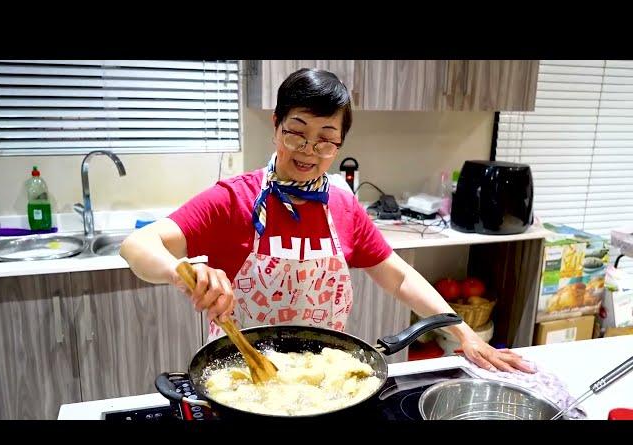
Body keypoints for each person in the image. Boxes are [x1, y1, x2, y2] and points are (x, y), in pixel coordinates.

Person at [120, 68, 534, 374]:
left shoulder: (343, 205)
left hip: (322, 380)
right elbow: (136, 246)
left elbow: (399, 278)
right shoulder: (234, 198)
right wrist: (183, 270)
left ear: (338, 144)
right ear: (276, 126)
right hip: (240, 373)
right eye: (296, 132)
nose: (308, 150)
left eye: (325, 139)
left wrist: (463, 333)